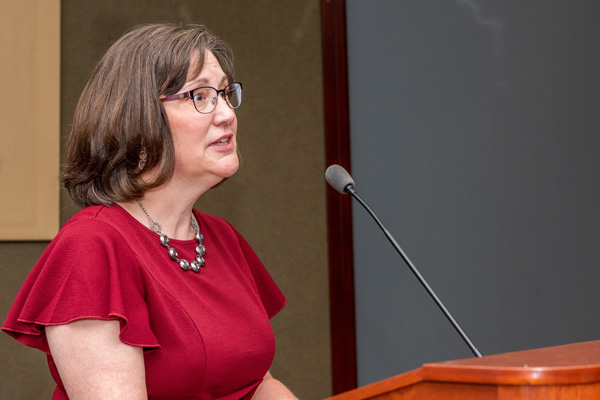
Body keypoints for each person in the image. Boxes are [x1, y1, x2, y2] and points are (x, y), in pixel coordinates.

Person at [2, 23, 297, 400]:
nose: (226, 114)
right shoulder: (91, 247)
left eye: (225, 93)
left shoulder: (221, 238)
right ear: (138, 117)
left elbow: (257, 385)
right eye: (201, 96)